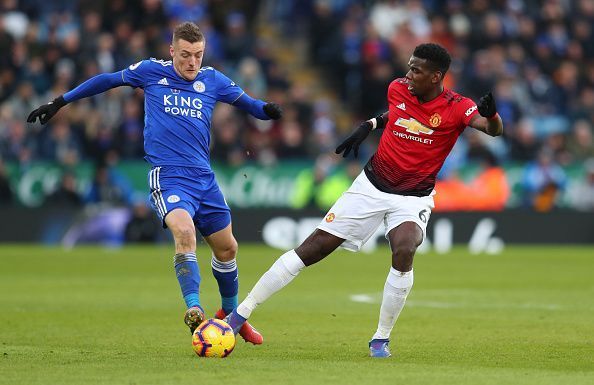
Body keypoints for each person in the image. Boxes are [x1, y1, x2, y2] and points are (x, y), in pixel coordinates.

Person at [224, 43, 503, 357]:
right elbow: (398, 114)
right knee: (312, 249)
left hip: (413, 197)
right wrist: (370, 125)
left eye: (416, 70)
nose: (408, 74)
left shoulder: (457, 106)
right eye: (410, 67)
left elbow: (492, 130)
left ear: (437, 76)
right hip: (371, 186)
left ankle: (380, 339)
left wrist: (492, 115)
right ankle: (239, 315)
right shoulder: (398, 88)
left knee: (404, 248)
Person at [27, 21, 283, 344]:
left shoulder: (212, 79)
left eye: (198, 55)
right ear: (172, 50)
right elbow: (107, 81)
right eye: (186, 55)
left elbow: (249, 104)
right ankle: (194, 310)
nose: (193, 62)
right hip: (170, 178)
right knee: (185, 232)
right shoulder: (150, 72)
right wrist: (60, 101)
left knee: (228, 247)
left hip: (204, 179)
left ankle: (231, 318)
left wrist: (268, 111)